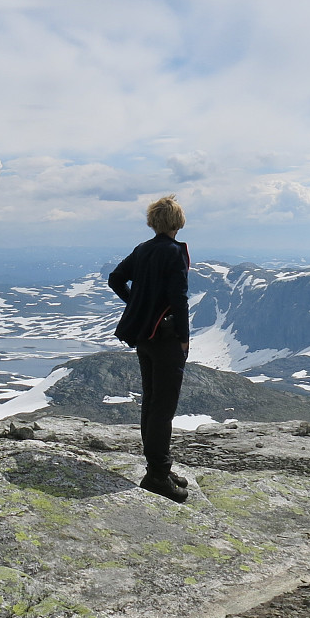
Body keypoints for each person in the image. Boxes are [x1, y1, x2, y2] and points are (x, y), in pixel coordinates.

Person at [107, 194, 191, 502]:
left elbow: (115, 279)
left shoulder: (143, 249)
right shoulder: (174, 252)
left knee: (152, 402)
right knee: (163, 408)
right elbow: (178, 298)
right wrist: (184, 337)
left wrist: (138, 306)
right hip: (166, 339)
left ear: (153, 221)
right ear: (178, 221)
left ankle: (158, 468)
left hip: (143, 337)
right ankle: (157, 475)